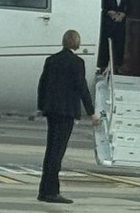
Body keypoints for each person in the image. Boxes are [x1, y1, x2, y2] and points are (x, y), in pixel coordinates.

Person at [37, 29, 99, 203]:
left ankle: (44, 190)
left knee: (50, 151)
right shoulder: (77, 62)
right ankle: (51, 191)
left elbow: (42, 84)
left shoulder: (51, 60)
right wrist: (91, 112)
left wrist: (41, 107)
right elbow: (82, 88)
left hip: (52, 111)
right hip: (66, 112)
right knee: (58, 152)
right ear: (77, 43)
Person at [99, 0, 128, 73]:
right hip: (108, 22)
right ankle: (103, 64)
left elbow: (128, 6)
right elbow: (102, 5)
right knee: (106, 44)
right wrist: (109, 13)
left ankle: (116, 65)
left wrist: (123, 14)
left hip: (120, 23)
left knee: (119, 44)